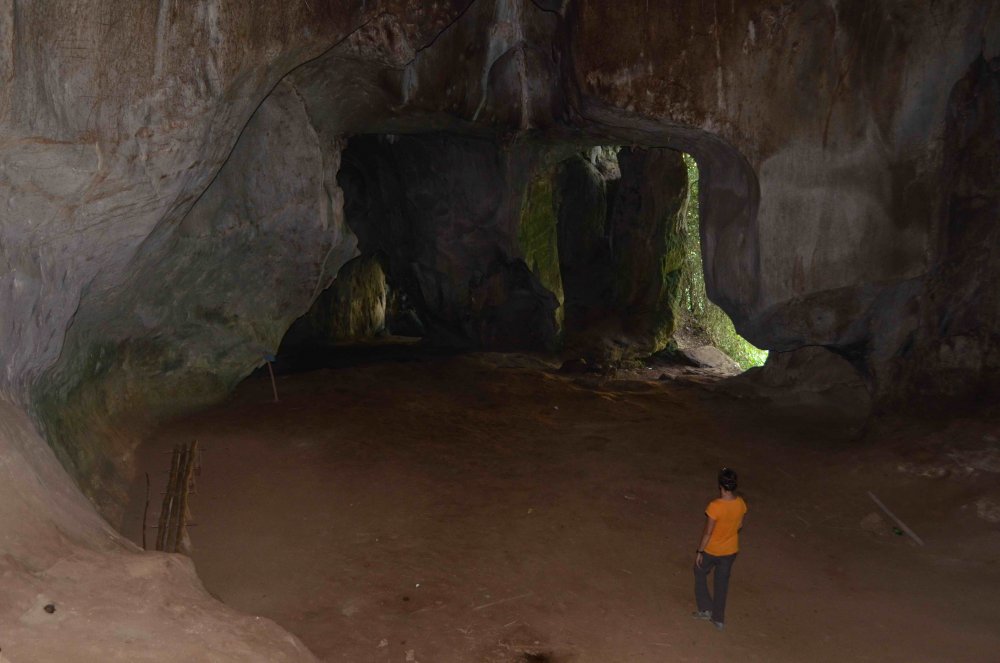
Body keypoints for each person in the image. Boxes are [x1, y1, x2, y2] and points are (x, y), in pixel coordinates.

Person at [692, 467, 747, 630]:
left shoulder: (715, 506)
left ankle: (705, 608)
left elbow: (708, 532)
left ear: (720, 486)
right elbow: (740, 525)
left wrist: (700, 551)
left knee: (699, 570)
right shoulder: (741, 503)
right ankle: (718, 619)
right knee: (721, 583)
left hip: (712, 550)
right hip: (730, 551)